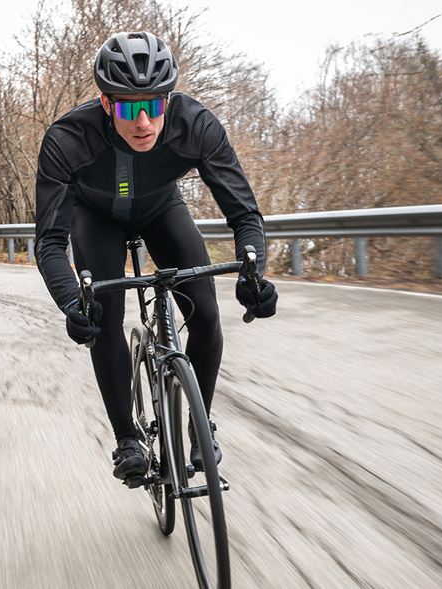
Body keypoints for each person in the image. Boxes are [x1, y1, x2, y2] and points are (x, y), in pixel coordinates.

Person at [34, 31, 278, 481]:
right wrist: (72, 302)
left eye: (156, 105)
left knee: (204, 313)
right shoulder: (69, 138)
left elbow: (245, 215)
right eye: (129, 107)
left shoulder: (196, 125)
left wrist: (252, 273)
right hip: (96, 216)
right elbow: (49, 242)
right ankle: (127, 437)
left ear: (170, 100)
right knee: (101, 313)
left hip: (161, 209)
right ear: (106, 104)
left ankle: (199, 423)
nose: (144, 121)